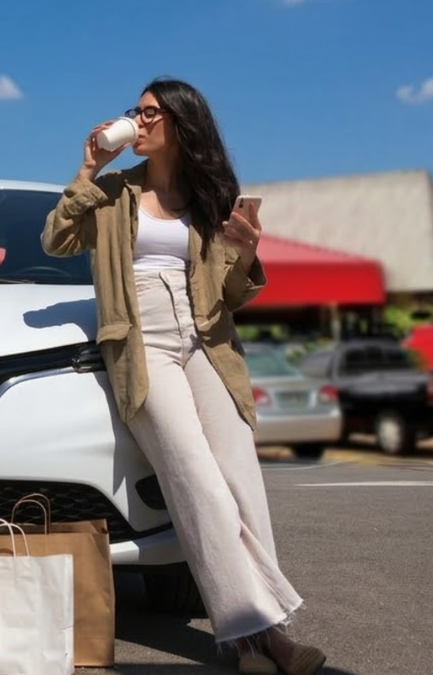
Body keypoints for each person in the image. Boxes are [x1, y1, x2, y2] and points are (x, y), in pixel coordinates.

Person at [41, 77, 327, 675]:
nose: (137, 122)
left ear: (180, 124)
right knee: (198, 484)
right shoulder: (115, 193)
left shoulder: (209, 200)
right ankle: (256, 639)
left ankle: (261, 638)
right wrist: (88, 168)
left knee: (242, 483)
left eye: (149, 114)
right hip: (142, 346)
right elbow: (56, 239)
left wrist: (246, 255)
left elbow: (230, 294)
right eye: (135, 113)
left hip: (209, 343)